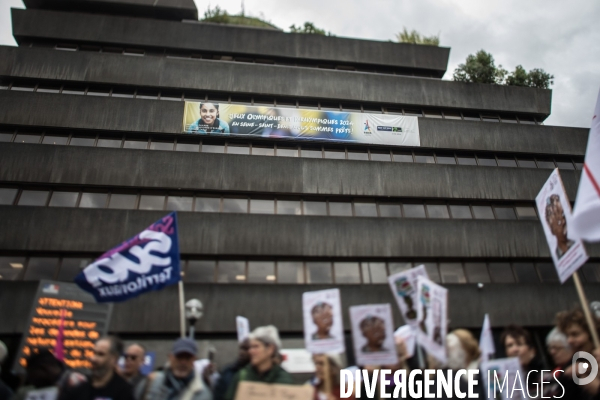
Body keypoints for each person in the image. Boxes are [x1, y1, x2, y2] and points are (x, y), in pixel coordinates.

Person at [224, 326, 294, 400]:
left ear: (270, 349)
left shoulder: (284, 380)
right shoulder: (242, 377)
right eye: (250, 347)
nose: (250, 351)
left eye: (256, 347)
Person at [59, 336, 134, 400]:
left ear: (114, 359)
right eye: (94, 353)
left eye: (100, 354)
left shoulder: (123, 391)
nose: (93, 359)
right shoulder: (79, 388)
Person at [142, 338, 211, 400]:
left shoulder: (202, 394)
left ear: (194, 360)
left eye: (187, 358)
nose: (183, 362)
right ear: (170, 357)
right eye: (179, 357)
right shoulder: (152, 383)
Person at [554, 309, 600, 399]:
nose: (569, 341)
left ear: (591, 333)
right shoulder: (569, 370)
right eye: (567, 336)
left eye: (575, 334)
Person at [501, 325, 543, 392]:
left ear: (532, 351)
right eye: (510, 346)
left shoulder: (544, 379)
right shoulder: (502, 382)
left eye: (519, 344)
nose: (515, 349)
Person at [543, 327, 573, 398]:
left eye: (557, 348)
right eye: (550, 348)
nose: (552, 352)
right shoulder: (557, 372)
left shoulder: (574, 371)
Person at [545, 194, 575, 259]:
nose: (563, 222)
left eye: (563, 216)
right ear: (551, 228)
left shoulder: (575, 244)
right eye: (558, 220)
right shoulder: (555, 256)